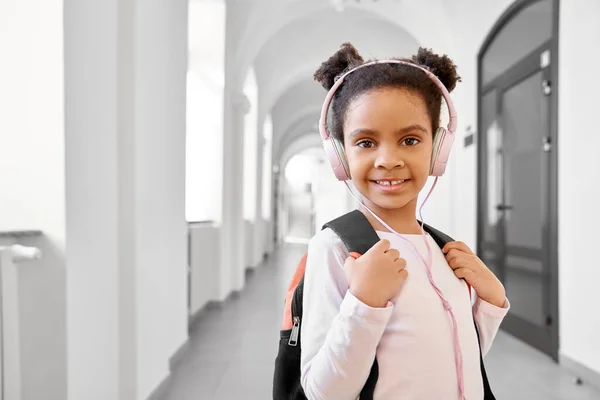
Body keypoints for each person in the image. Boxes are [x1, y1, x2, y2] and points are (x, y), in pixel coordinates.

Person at [299, 43, 510, 400]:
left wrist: (490, 301)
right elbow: (323, 393)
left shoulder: (443, 249)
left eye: (410, 139)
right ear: (340, 156)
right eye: (365, 142)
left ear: (437, 149)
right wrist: (364, 304)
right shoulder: (336, 248)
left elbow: (452, 360)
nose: (387, 160)